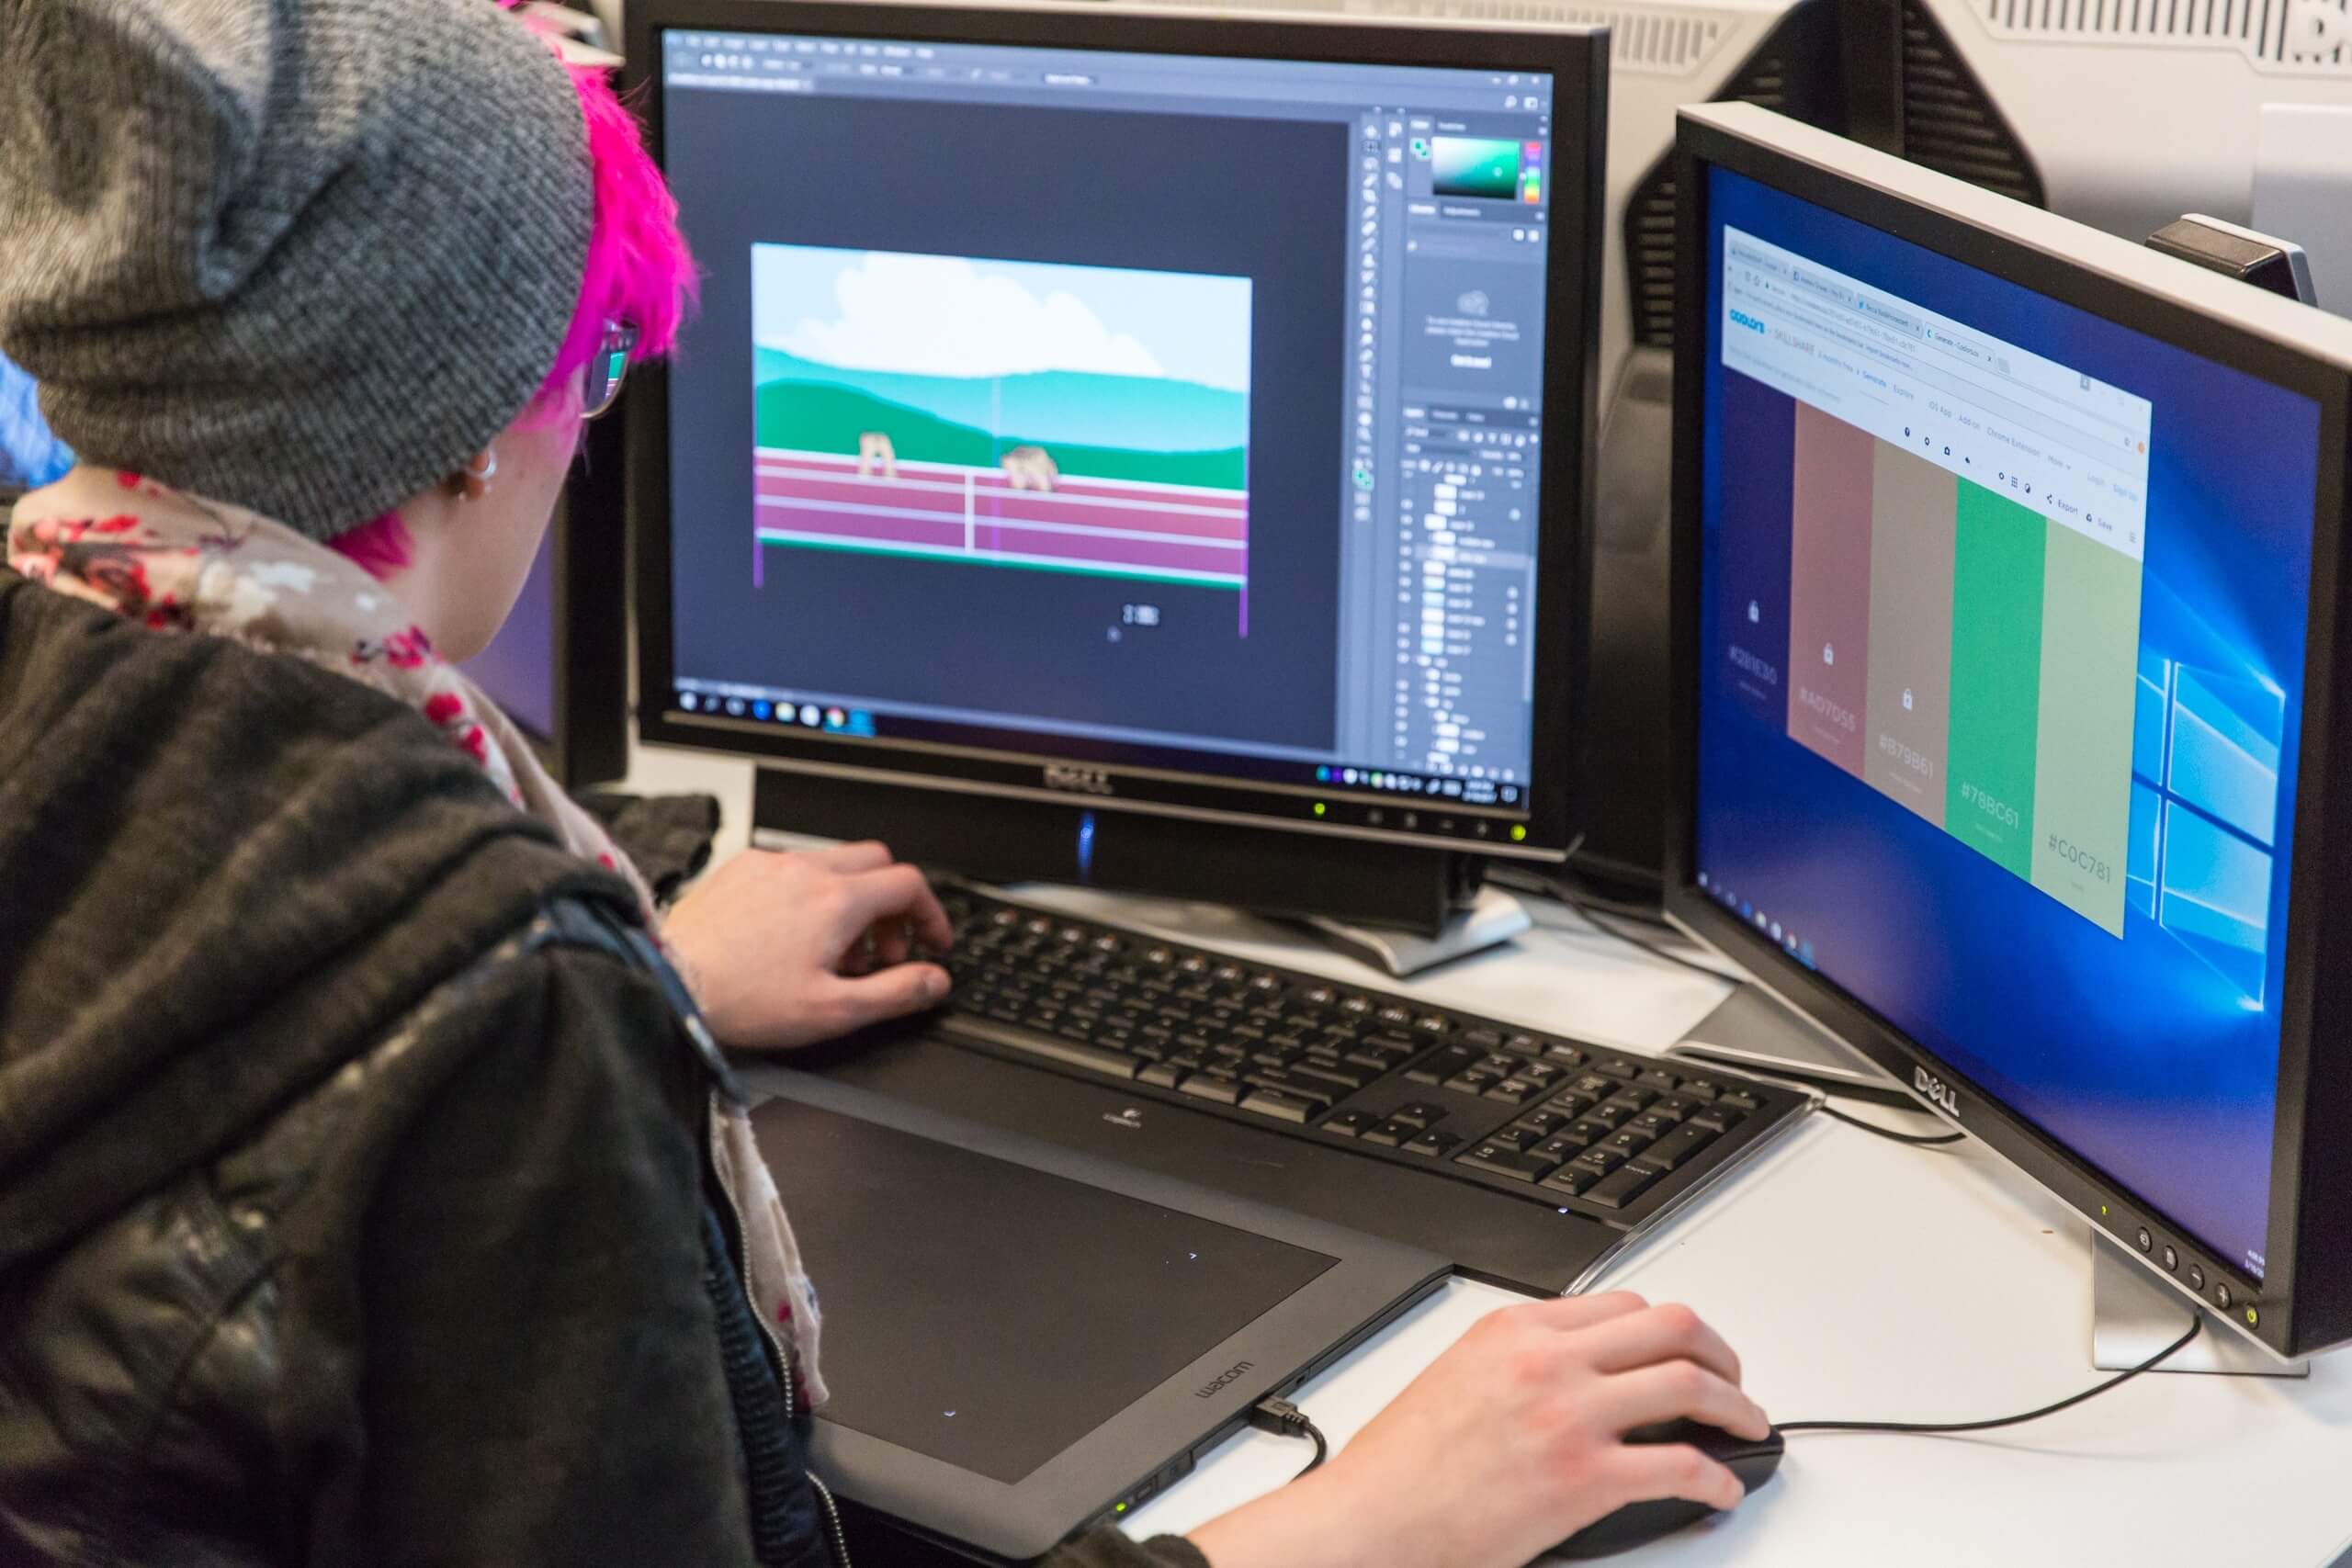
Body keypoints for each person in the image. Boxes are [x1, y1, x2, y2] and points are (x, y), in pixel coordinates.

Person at [0, 2, 1770, 1563]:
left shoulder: (74, 686)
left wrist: (654, 991)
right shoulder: (498, 1005)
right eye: (596, 374)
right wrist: (1357, 1533)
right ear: (470, 430)